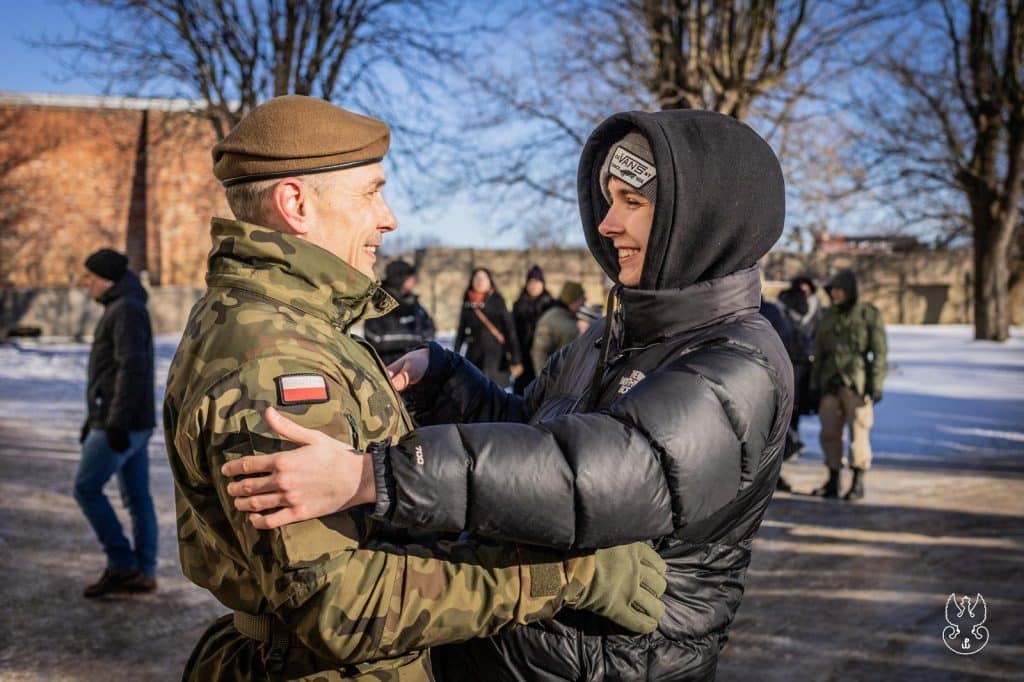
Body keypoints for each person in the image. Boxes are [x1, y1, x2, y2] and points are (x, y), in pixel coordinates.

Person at [225, 109, 794, 680]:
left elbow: (598, 473)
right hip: (524, 651)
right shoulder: (610, 335)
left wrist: (375, 476)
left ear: (696, 221)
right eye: (608, 200)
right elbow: (530, 431)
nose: (607, 224)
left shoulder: (738, 363)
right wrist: (449, 381)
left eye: (633, 202)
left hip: (614, 663)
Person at [164, 95, 666, 681]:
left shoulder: (286, 325)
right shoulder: (275, 360)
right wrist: (563, 574)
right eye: (370, 193)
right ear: (296, 204)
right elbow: (341, 603)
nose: (389, 218)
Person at [75, 248, 157, 598]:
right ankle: (144, 573)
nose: (86, 283)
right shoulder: (124, 306)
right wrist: (93, 418)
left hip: (123, 422)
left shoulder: (125, 310)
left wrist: (115, 422)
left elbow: (131, 368)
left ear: (107, 278)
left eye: (90, 277)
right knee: (137, 498)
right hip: (126, 419)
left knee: (86, 488)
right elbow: (110, 374)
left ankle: (123, 564)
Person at [811, 269, 887, 501]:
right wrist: (814, 384)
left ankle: (857, 482)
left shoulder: (868, 314)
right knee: (829, 433)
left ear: (850, 290)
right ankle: (833, 481)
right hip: (829, 383)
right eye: (832, 290)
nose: (835, 294)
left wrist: (876, 383)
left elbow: (880, 352)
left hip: (857, 383)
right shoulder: (827, 316)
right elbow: (819, 352)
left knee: (859, 433)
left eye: (839, 290)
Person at [453, 267, 522, 387]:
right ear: (472, 281)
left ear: (490, 281)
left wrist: (516, 359)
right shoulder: (468, 302)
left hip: (496, 357)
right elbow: (461, 331)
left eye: (483, 278)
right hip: (474, 357)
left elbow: (509, 330)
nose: (480, 281)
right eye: (477, 278)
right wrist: (455, 356)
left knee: (495, 392)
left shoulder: (497, 300)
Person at [777, 275, 822, 456]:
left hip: (807, 362)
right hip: (788, 359)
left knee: (798, 406)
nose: (804, 291)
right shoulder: (783, 306)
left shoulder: (816, 308)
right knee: (787, 403)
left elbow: (818, 332)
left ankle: (793, 441)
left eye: (807, 288)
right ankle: (788, 442)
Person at [363, 259, 435, 364]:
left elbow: (429, 332)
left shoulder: (413, 303)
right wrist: (414, 338)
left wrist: (416, 340)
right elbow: (375, 337)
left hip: (414, 366)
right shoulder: (380, 302)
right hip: (386, 367)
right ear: (400, 279)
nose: (414, 281)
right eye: (410, 278)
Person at [511, 264, 554, 393]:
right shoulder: (518, 305)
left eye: (537, 282)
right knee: (523, 393)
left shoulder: (551, 305)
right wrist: (515, 359)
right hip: (524, 357)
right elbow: (513, 334)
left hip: (546, 356)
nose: (533, 286)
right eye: (530, 282)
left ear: (543, 284)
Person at [531, 280, 586, 373]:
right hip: (557, 377)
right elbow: (539, 352)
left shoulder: (570, 317)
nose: (584, 302)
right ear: (573, 300)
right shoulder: (551, 319)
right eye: (582, 299)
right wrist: (544, 379)